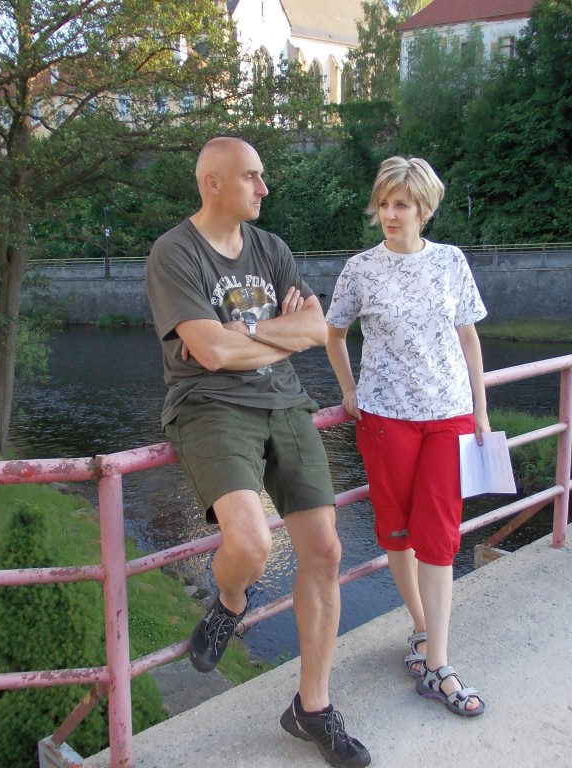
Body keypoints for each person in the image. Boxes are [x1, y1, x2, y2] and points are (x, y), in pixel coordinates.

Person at [145, 136, 371, 767]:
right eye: (251, 176)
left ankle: (312, 708)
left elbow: (315, 328)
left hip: (285, 403)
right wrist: (270, 336)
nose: (264, 188)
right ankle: (230, 603)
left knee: (325, 550)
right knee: (249, 544)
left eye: (262, 176)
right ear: (213, 182)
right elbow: (210, 355)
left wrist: (243, 333)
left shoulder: (271, 248)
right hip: (209, 407)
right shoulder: (175, 252)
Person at [325, 156, 489, 718]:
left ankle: (439, 663)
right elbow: (334, 333)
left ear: (424, 208)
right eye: (384, 204)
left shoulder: (450, 261)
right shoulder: (360, 269)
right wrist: (349, 390)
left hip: (448, 415)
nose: (390, 214)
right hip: (385, 418)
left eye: (402, 204)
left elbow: (469, 339)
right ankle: (421, 628)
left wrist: (481, 411)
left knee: (439, 536)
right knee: (397, 532)